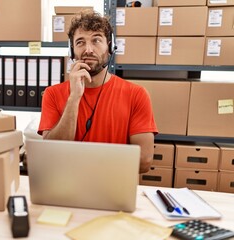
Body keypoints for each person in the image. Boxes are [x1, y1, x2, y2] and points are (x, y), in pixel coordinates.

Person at [38, 10, 158, 173]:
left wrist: (81, 161)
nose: (88, 49)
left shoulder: (136, 94)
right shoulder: (52, 94)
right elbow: (50, 155)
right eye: (80, 42)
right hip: (65, 188)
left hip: (114, 190)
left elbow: (144, 162)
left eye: (96, 40)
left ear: (110, 46)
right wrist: (74, 98)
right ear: (71, 50)